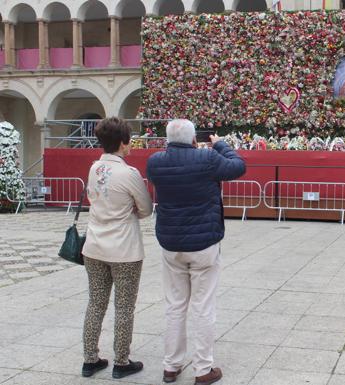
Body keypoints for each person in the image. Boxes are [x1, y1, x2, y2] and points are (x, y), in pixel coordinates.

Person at [146, 119, 245, 385]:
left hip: (171, 243)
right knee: (203, 307)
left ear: (167, 139)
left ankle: (171, 365)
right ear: (193, 140)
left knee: (175, 306)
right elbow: (238, 166)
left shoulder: (155, 162)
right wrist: (220, 144)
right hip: (204, 245)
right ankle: (203, 369)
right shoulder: (208, 158)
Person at [81, 117, 153, 379]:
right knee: (124, 307)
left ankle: (90, 359)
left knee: (95, 303)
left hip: (94, 246)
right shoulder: (129, 173)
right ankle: (121, 361)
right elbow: (145, 208)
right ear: (123, 143)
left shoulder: (93, 168)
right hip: (124, 250)